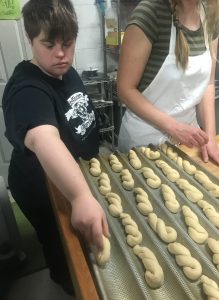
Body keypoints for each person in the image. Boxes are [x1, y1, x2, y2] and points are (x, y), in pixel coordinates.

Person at [2, 0, 109, 295]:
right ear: (30, 39)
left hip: (73, 182)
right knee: (60, 248)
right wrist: (80, 196)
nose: (61, 54)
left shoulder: (66, 71)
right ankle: (66, 284)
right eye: (49, 44)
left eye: (68, 43)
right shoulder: (27, 90)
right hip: (42, 192)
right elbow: (44, 139)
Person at [117, 0, 219, 169]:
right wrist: (174, 128)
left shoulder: (211, 16)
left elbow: (208, 84)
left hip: (189, 143)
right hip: (145, 143)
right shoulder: (151, 13)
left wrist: (210, 137)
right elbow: (125, 89)